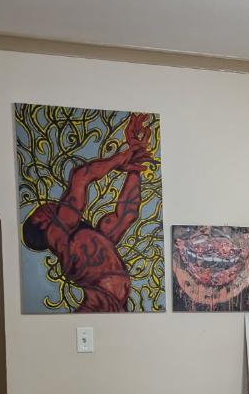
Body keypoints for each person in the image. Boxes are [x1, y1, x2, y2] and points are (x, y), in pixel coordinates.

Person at [22, 113, 153, 312]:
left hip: (114, 306)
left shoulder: (89, 240)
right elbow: (80, 177)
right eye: (40, 210)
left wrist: (135, 167)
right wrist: (123, 157)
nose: (49, 204)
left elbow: (127, 214)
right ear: (40, 222)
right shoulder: (57, 231)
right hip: (100, 306)